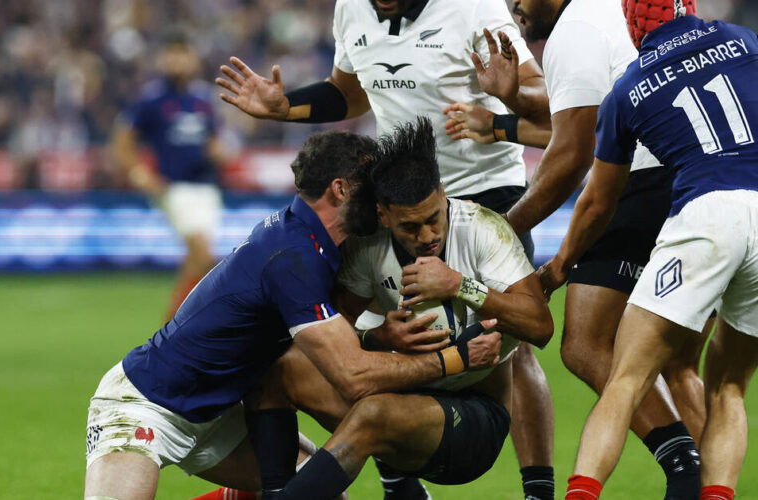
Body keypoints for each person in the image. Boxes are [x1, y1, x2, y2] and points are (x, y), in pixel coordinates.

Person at [215, 1, 557, 497]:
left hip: (483, 190)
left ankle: (538, 491)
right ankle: (397, 476)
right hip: (395, 197)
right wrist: (284, 107)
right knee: (364, 331)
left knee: (509, 345)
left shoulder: (472, 8)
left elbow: (543, 96)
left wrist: (510, 98)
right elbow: (347, 94)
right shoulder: (352, 9)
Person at [84, 129, 500, 500]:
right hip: (145, 405)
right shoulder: (294, 256)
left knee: (319, 490)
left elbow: (318, 341)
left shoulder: (314, 243)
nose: (380, 201)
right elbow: (352, 375)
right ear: (340, 189)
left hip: (220, 413)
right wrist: (454, 360)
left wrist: (377, 339)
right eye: (370, 188)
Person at [444, 0, 709, 497]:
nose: (515, 6)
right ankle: (710, 486)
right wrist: (511, 105)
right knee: (677, 364)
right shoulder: (607, 16)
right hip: (700, 182)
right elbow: (582, 118)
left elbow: (572, 153)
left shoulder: (576, 27)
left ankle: (682, 466)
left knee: (586, 344)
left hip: (645, 181)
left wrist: (500, 231)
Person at [532, 2, 758, 498]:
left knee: (626, 378)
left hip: (705, 212)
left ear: (634, 22)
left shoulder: (630, 88)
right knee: (728, 388)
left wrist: (558, 267)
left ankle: (582, 493)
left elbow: (597, 202)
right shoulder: (742, 40)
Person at [112, 28, 228, 320]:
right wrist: (139, 174)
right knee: (202, 253)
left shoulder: (204, 98)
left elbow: (214, 140)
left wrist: (219, 152)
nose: (178, 60)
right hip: (175, 187)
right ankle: (173, 326)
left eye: (183, 53)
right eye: (172, 54)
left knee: (198, 261)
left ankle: (179, 328)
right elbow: (123, 140)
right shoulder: (152, 98)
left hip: (206, 187)